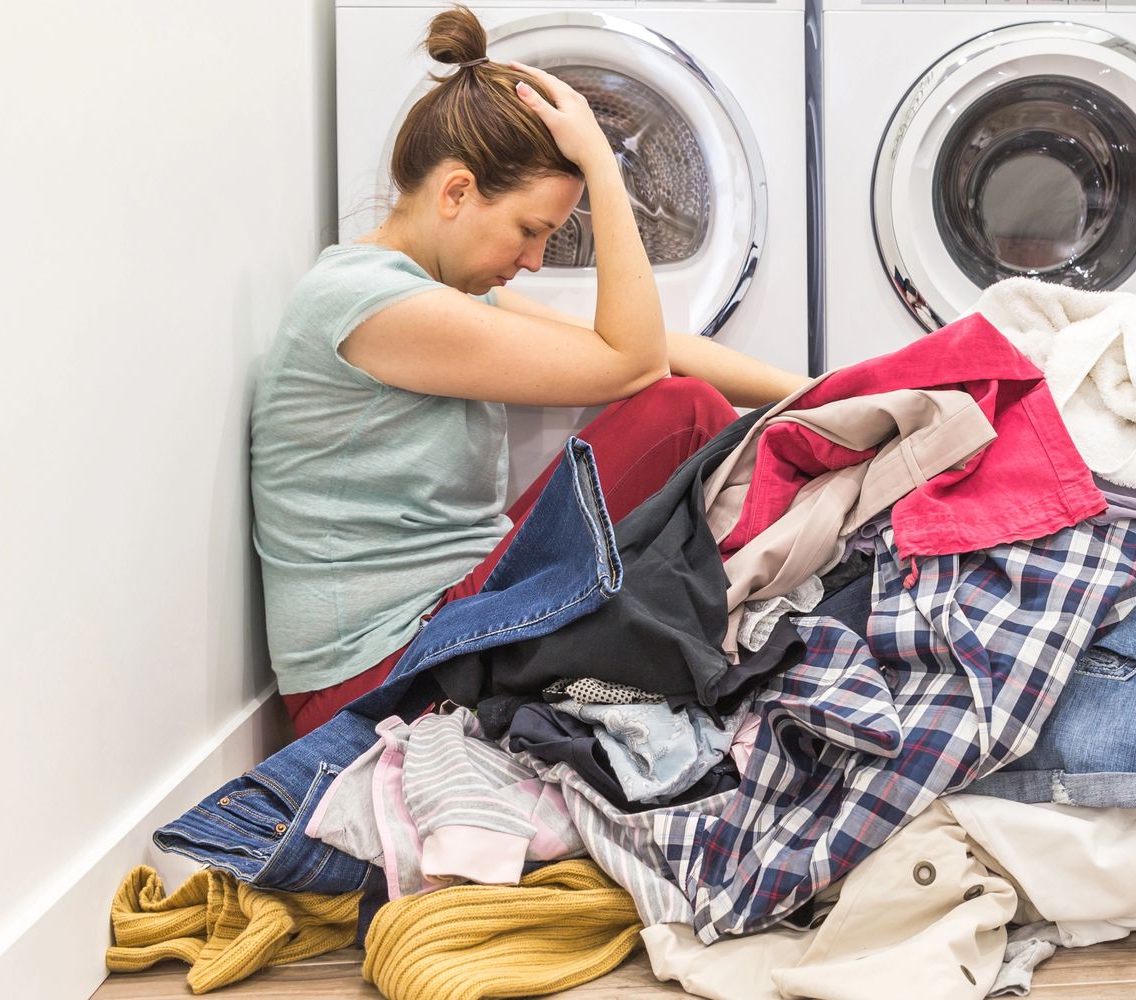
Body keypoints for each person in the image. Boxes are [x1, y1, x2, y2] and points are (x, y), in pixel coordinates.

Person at [252, 5, 809, 738]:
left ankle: (741, 618)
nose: (535, 261)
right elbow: (636, 364)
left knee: (687, 409)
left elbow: (658, 347)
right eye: (531, 230)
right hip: (377, 681)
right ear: (455, 193)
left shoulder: (424, 296)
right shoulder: (371, 306)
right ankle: (766, 622)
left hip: (436, 626)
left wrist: (823, 392)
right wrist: (605, 171)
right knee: (684, 413)